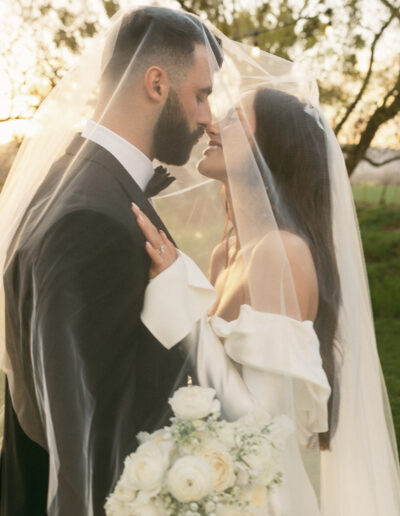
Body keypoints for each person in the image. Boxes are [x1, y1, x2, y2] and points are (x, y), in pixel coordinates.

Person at [132, 85, 400, 515]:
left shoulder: (282, 253)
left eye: (235, 120)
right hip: (221, 483)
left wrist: (177, 297)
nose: (211, 126)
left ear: (273, 151)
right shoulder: (226, 254)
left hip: (266, 496)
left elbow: (259, 420)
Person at [0, 6, 222, 516]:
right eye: (202, 94)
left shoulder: (69, 183)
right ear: (156, 83)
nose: (208, 116)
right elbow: (83, 430)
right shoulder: (90, 218)